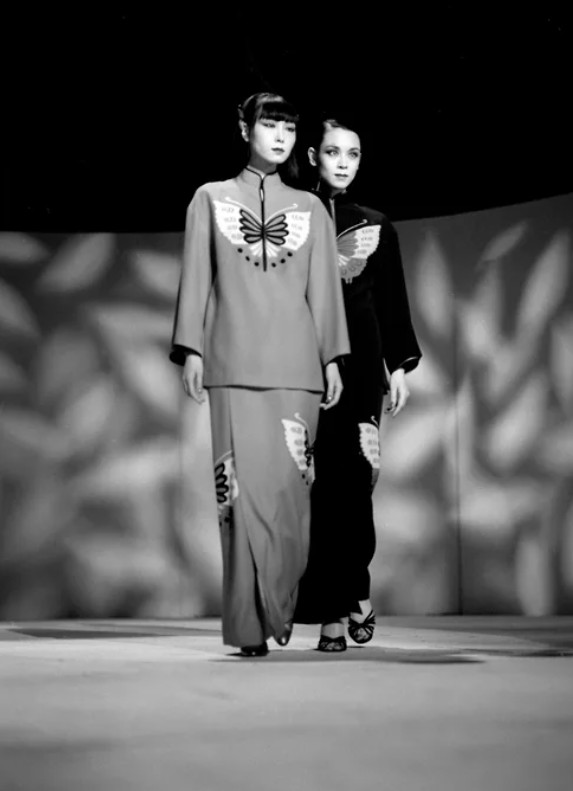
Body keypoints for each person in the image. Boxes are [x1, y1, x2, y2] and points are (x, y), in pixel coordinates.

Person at [169, 94, 350, 657]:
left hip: (297, 369)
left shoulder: (311, 209)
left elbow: (324, 291)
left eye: (289, 128)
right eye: (270, 125)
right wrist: (192, 349)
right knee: (237, 501)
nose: (280, 136)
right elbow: (197, 277)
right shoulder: (210, 198)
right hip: (231, 365)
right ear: (246, 129)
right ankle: (249, 627)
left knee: (290, 500)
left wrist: (332, 356)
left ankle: (280, 604)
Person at [295, 117, 422, 652]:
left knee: (355, 485)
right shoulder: (294, 216)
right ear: (313, 156)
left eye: (353, 154)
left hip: (365, 368)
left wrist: (398, 365)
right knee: (321, 490)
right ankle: (332, 610)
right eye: (333, 152)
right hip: (305, 368)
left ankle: (354, 591)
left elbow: (390, 300)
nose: (343, 162)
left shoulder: (375, 224)